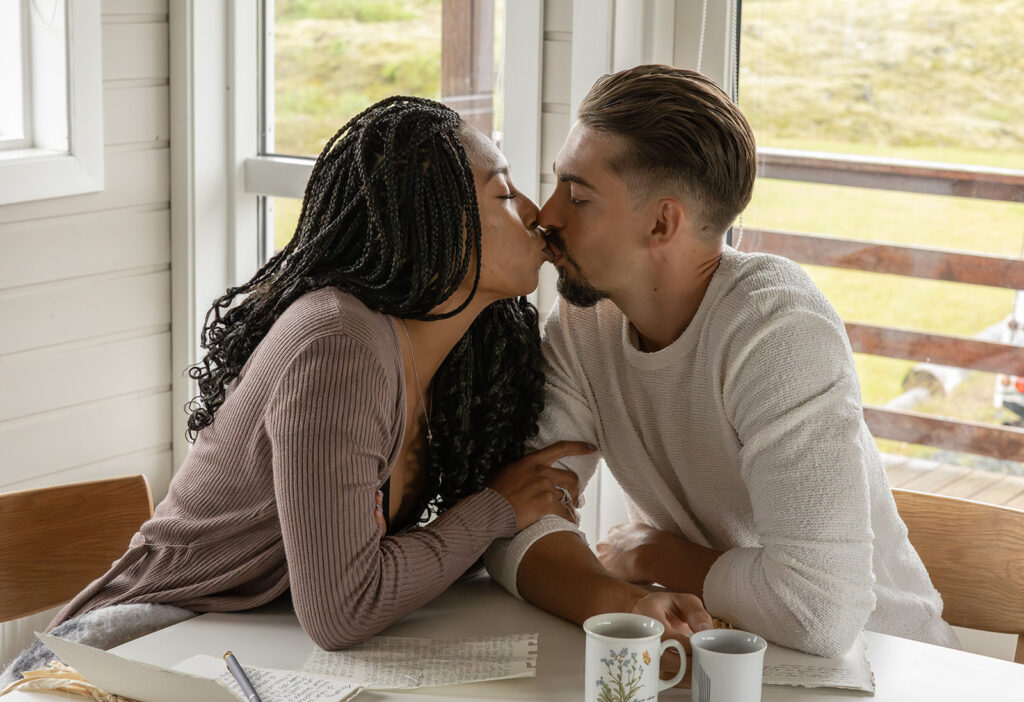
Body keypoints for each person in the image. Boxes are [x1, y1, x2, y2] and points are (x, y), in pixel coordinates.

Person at [1, 96, 590, 684]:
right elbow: (343, 610)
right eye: (504, 193)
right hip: (124, 655)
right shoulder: (339, 342)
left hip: (247, 652)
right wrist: (497, 508)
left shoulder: (465, 359)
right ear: (429, 222)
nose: (537, 212)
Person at [484, 65, 959, 658]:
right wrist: (622, 600)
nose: (546, 214)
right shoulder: (585, 323)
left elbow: (822, 613)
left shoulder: (777, 331)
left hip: (885, 664)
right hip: (720, 647)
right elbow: (510, 525)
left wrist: (658, 557)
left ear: (662, 222)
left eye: (578, 196)